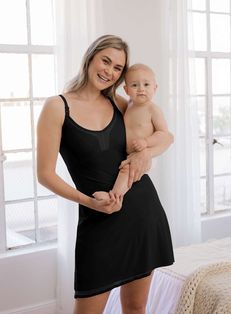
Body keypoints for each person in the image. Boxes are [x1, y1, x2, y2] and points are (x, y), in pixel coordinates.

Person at [37, 34, 174, 314]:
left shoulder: (122, 104)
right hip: (97, 219)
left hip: (141, 214)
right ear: (90, 57)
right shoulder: (56, 107)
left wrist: (147, 151)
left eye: (117, 68)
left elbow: (166, 136)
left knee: (136, 308)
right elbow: (45, 174)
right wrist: (89, 202)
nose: (109, 72)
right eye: (106, 61)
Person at [93, 63, 167, 206]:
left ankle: (114, 196)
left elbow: (163, 133)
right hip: (130, 154)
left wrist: (146, 142)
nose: (141, 89)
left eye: (146, 84)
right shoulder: (129, 105)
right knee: (125, 170)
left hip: (143, 154)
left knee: (127, 171)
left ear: (155, 88)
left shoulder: (152, 109)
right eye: (134, 85)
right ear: (126, 90)